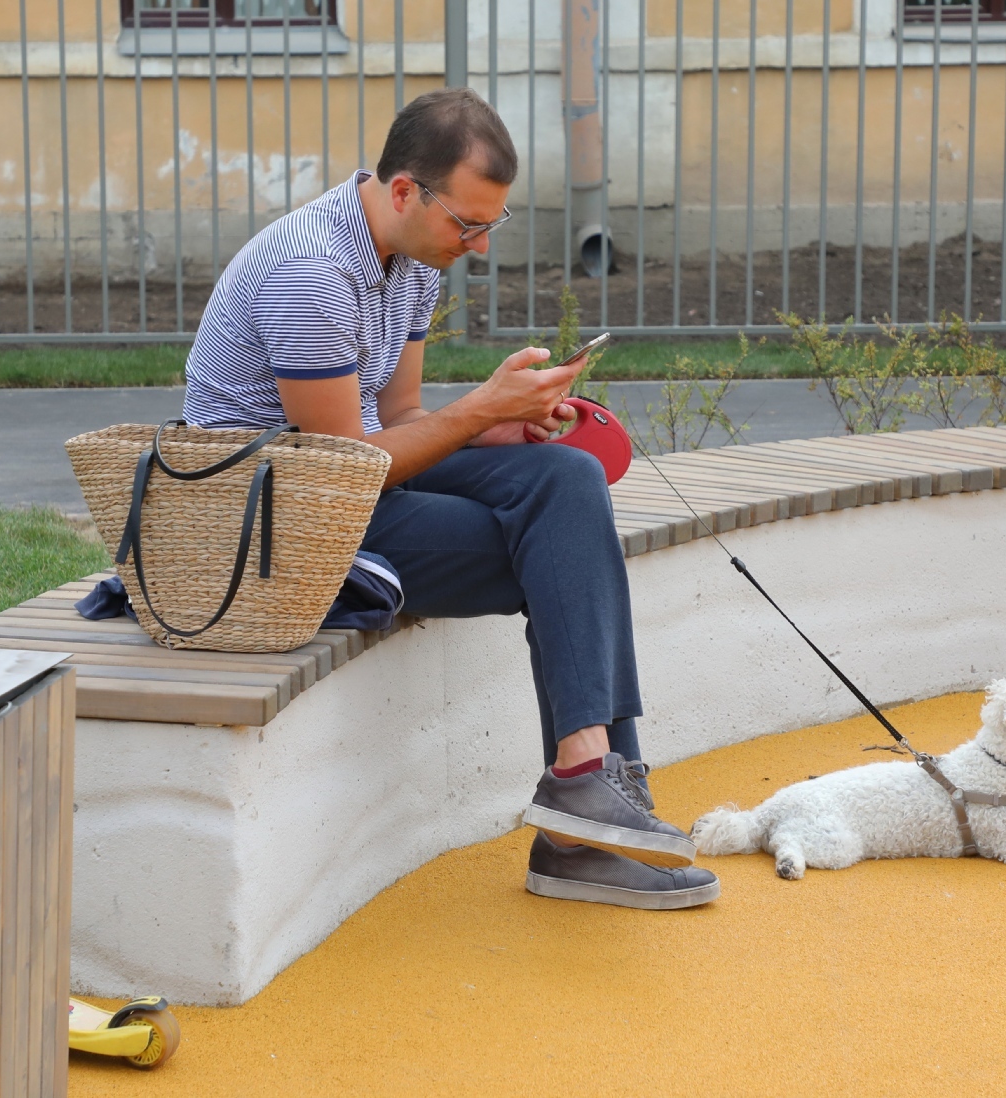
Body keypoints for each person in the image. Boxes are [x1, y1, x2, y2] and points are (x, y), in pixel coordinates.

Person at [182, 88, 719, 910]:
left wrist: (512, 426)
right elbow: (340, 470)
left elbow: (398, 420)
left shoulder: (409, 259)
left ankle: (587, 782)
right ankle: (586, 820)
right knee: (564, 550)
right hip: (278, 527)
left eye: (488, 226)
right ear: (404, 191)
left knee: (567, 479)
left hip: (345, 483)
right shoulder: (312, 272)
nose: (474, 244)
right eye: (466, 224)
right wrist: (482, 410)